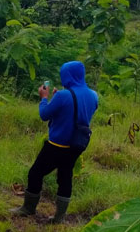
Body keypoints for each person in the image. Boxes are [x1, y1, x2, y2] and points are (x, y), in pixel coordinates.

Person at [11, 61, 98, 223]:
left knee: (35, 173)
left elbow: (44, 115)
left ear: (67, 75)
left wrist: (44, 98)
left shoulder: (63, 96)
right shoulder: (93, 95)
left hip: (57, 145)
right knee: (65, 177)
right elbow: (80, 112)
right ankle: (59, 217)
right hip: (77, 145)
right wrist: (60, 97)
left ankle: (28, 208)